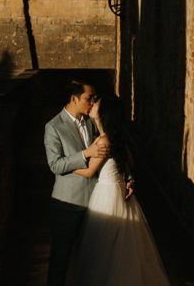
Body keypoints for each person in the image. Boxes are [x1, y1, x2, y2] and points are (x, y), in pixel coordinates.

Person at [67, 94, 170, 286]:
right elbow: (129, 161)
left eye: (96, 102)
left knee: (106, 248)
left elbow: (89, 171)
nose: (92, 104)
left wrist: (64, 164)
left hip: (107, 195)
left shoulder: (104, 140)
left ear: (104, 113)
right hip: (118, 190)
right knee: (121, 248)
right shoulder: (114, 138)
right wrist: (126, 179)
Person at [44, 80, 110, 286]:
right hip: (67, 203)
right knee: (61, 258)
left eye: (94, 98)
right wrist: (85, 154)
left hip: (96, 202)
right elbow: (55, 165)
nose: (93, 102)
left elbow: (111, 153)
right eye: (89, 98)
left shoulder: (92, 122)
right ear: (74, 98)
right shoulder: (53, 126)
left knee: (93, 256)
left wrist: (128, 178)